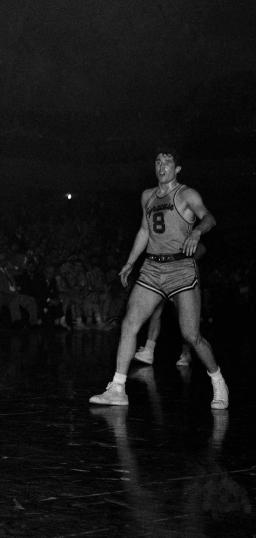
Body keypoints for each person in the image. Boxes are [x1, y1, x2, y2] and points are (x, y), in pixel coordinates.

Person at [90, 149, 227, 410]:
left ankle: (218, 380)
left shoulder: (187, 194)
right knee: (130, 323)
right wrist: (130, 261)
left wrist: (197, 231)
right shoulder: (147, 196)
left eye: (167, 161)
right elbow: (144, 230)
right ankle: (118, 388)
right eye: (157, 161)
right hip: (152, 268)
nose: (161, 165)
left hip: (180, 268)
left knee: (191, 334)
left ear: (177, 169)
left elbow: (209, 217)